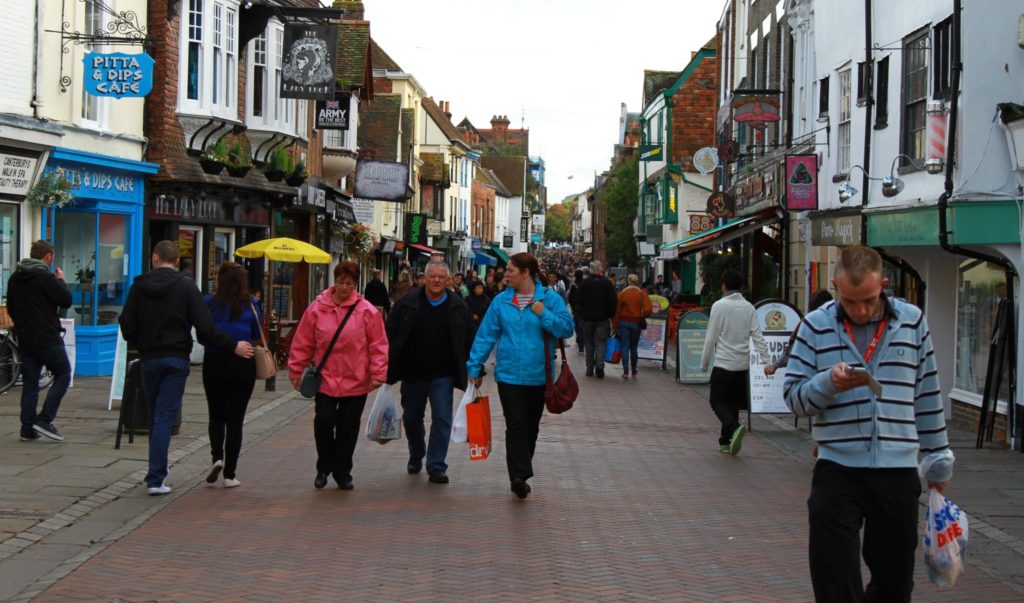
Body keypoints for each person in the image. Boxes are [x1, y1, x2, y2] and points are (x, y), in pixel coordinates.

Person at [783, 245, 951, 602]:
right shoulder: (815, 326)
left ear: (884, 285)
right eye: (849, 302)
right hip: (837, 467)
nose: (860, 311)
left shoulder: (912, 321)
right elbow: (794, 399)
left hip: (897, 468)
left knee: (894, 582)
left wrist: (937, 457)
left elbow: (928, 394)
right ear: (835, 287)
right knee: (834, 572)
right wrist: (827, 382)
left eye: (869, 301)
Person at [120, 241, 254, 496]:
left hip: (149, 358)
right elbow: (205, 328)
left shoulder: (138, 286)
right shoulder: (186, 286)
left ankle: (157, 472)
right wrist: (233, 345)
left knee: (155, 416)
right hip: (176, 358)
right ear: (177, 261)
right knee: (163, 417)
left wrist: (140, 343)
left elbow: (126, 322)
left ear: (155, 258)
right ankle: (156, 478)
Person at [467, 253, 574, 499]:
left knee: (530, 427)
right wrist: (475, 366)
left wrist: (542, 313)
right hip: (508, 376)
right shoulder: (501, 301)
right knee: (515, 424)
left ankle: (521, 473)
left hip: (538, 376)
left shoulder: (550, 299)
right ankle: (518, 475)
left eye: (511, 271)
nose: (506, 274)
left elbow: (566, 328)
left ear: (526, 273)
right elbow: (486, 335)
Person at [288, 261, 388, 491]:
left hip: (356, 379)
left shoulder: (367, 311)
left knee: (347, 428)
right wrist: (296, 369)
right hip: (326, 379)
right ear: (334, 281)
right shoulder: (317, 308)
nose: (344, 288)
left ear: (356, 284)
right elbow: (303, 341)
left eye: (350, 284)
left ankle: (343, 472)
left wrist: (378, 373)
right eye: (341, 282)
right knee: (323, 423)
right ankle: (324, 466)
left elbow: (379, 345)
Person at [386, 260, 472, 485]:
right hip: (413, 371)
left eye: (441, 277)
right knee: (412, 417)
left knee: (442, 417)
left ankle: (436, 465)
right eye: (432, 276)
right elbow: (391, 332)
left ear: (448, 280)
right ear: (424, 278)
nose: (436, 281)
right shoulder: (407, 303)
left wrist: (474, 367)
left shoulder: (458, 306)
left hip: (443, 373)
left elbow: (469, 338)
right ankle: (417, 452)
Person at [201, 263, 262, 488]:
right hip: (242, 364)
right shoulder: (252, 305)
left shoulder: (209, 303)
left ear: (221, 281)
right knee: (235, 421)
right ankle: (230, 474)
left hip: (214, 363)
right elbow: (257, 334)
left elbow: (203, 335)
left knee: (216, 414)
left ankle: (217, 457)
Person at [699, 268, 769, 456]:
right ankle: (726, 441)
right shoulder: (749, 307)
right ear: (741, 287)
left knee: (716, 401)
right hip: (742, 366)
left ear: (724, 286)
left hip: (723, 364)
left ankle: (733, 427)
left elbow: (710, 337)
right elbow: (758, 336)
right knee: (732, 404)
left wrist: (704, 363)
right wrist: (767, 362)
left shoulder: (719, 306)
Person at [8, 240, 72, 442]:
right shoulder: (45, 277)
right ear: (48, 257)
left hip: (26, 339)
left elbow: (11, 308)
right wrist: (60, 280)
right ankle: (44, 419)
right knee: (63, 374)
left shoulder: (14, 278)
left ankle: (27, 429)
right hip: (47, 338)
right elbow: (66, 300)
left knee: (30, 385)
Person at [763, 289, 834, 377]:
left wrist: (775, 366)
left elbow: (793, 351)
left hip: (810, 376)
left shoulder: (808, 323)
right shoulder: (836, 325)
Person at [569, 260, 617, 378]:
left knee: (589, 343)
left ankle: (589, 368)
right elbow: (613, 301)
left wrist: (583, 309)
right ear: (600, 269)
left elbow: (577, 299)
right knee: (601, 342)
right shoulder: (607, 283)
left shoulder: (585, 283)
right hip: (602, 319)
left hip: (587, 318)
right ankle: (600, 366)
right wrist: (610, 314)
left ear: (590, 269)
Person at [611, 274, 653, 379]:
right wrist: (642, 313)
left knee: (625, 346)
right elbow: (649, 309)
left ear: (628, 282)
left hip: (624, 322)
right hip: (636, 322)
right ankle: (634, 370)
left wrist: (614, 326)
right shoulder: (642, 294)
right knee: (634, 347)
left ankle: (625, 371)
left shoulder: (622, 294)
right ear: (637, 282)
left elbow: (617, 312)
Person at [565, 269, 586, 354]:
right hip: (585, 309)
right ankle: (582, 342)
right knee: (582, 327)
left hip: (577, 309)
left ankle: (581, 346)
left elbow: (570, 298)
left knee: (577, 327)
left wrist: (573, 308)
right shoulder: (585, 283)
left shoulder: (574, 285)